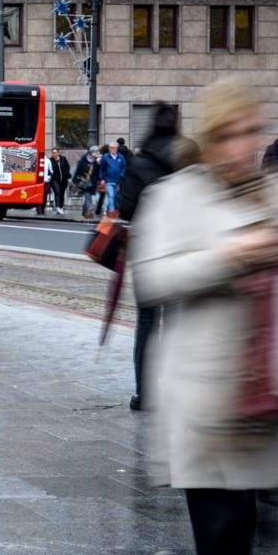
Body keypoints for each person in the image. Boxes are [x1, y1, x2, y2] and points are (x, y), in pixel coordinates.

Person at [132, 77, 278, 555]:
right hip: (203, 401)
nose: (241, 147)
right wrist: (231, 257)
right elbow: (152, 279)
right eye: (228, 135)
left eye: (251, 133)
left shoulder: (277, 193)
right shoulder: (176, 195)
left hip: (264, 395)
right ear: (207, 139)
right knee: (225, 538)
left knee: (240, 535)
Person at [116, 103, 198, 412]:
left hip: (148, 253)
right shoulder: (187, 158)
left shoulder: (138, 162)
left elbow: (125, 208)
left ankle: (144, 394)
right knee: (177, 322)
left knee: (146, 325)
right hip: (181, 250)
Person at [100, 141, 127, 215]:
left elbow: (124, 167)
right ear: (109, 149)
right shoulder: (105, 157)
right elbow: (102, 168)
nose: (113, 149)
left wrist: (122, 175)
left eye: (115, 148)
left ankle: (108, 210)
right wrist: (102, 178)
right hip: (108, 180)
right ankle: (111, 211)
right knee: (111, 195)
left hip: (118, 180)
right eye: (112, 148)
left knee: (114, 196)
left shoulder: (121, 157)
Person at [73, 146, 101, 219]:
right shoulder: (83, 160)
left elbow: (98, 172)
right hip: (84, 182)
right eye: (95, 152)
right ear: (91, 152)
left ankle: (85, 212)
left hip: (93, 183)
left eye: (97, 152)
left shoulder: (96, 161)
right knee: (87, 196)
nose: (96, 153)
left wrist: (98, 163)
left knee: (88, 197)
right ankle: (90, 210)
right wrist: (75, 180)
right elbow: (78, 170)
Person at [48, 148, 71, 215]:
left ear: (58, 153)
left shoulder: (63, 159)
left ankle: (61, 207)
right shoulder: (50, 160)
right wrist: (56, 162)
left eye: (55, 152)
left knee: (62, 193)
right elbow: (51, 169)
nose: (54, 154)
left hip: (63, 179)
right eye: (53, 153)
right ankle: (58, 207)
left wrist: (65, 174)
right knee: (57, 192)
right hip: (54, 179)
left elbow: (67, 167)